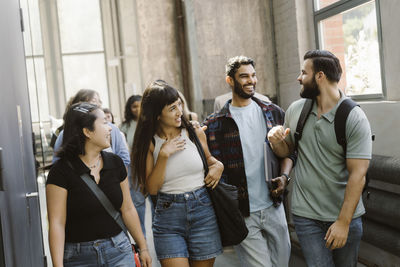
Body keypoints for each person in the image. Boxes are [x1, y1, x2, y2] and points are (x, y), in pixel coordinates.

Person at [268, 50, 372, 267]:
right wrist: (275, 139)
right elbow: (286, 152)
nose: (299, 78)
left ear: (320, 76)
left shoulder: (354, 117)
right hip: (306, 215)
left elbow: (358, 175)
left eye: (303, 73)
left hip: (345, 216)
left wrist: (343, 223)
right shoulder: (296, 110)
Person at [203, 56, 291, 267]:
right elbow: (208, 163)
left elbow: (289, 153)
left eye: (253, 75)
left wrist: (285, 177)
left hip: (274, 205)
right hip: (242, 213)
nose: (250, 80)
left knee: (282, 263)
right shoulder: (215, 125)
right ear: (230, 81)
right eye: (244, 76)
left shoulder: (273, 112)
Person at [46, 102, 152, 267]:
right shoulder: (60, 172)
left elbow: (128, 208)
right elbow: (57, 223)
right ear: (87, 131)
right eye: (103, 123)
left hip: (119, 252)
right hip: (78, 258)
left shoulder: (115, 163)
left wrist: (143, 247)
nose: (110, 128)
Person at [131, 80, 223, 267]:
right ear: (157, 114)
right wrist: (164, 155)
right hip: (168, 217)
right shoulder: (150, 143)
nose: (180, 111)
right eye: (172, 108)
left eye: (179, 104)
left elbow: (210, 160)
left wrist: (218, 166)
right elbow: (152, 189)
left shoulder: (194, 132)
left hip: (203, 211)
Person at [52, 89, 130, 167]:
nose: (96, 104)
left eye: (97, 101)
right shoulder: (65, 133)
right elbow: (57, 162)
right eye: (92, 101)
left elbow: (124, 159)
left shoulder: (112, 129)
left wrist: (110, 174)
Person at [120, 94, 147, 236]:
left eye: (140, 105)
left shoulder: (149, 123)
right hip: (131, 169)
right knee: (136, 204)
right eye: (134, 106)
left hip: (149, 166)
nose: (137, 109)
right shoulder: (124, 126)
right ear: (129, 108)